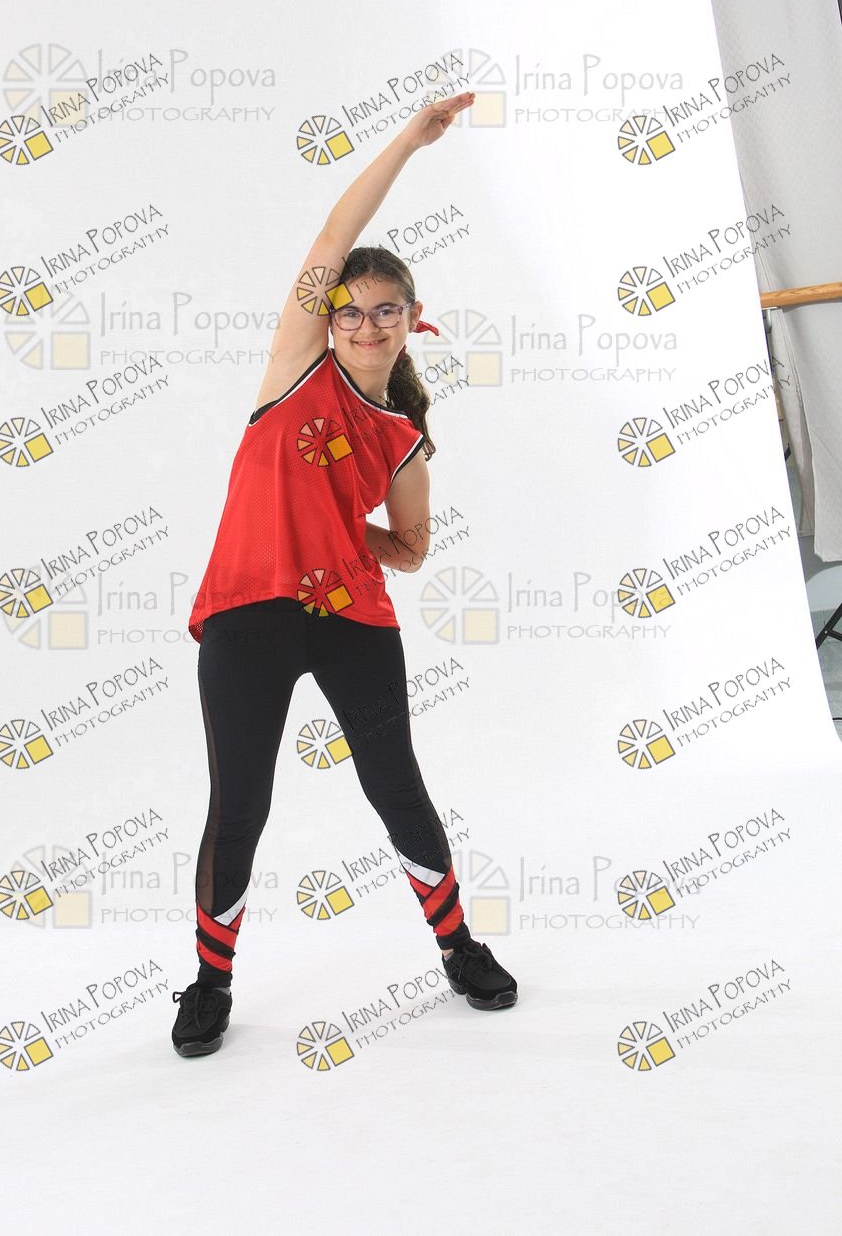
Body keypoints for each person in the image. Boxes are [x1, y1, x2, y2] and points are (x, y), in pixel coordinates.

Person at [171, 90, 518, 1057]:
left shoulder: (405, 441)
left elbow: (410, 547)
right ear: (328, 318)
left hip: (352, 622)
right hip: (246, 615)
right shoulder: (295, 364)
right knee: (239, 806)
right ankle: (209, 983)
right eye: (351, 311)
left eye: (384, 312)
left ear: (412, 321)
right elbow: (334, 232)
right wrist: (409, 141)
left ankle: (458, 949)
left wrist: (340, 531)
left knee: (398, 787)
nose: (366, 325)